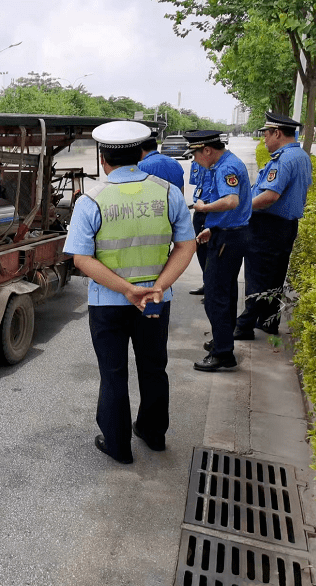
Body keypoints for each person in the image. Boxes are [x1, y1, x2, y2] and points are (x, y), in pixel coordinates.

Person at [64, 121, 196, 464]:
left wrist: (125, 290)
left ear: (102, 158)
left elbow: (81, 258)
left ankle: (118, 445)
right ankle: (153, 435)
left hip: (108, 304)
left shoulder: (90, 199)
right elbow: (186, 246)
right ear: (141, 154)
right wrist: (158, 287)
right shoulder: (169, 193)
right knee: (154, 368)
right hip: (154, 301)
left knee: (113, 372)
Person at [234, 112, 313, 339]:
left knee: (258, 277)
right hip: (285, 226)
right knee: (274, 276)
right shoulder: (300, 156)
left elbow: (269, 196)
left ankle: (244, 326)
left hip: (267, 227)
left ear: (277, 133)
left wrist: (243, 207)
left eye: (266, 135)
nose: (264, 140)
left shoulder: (284, 159)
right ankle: (268, 322)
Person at [184, 130, 252, 372]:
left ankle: (223, 353)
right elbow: (234, 210)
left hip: (229, 238)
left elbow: (231, 201)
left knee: (215, 296)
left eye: (194, 154)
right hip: (227, 234)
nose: (194, 160)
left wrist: (204, 207)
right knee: (226, 292)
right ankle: (223, 341)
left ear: (207, 150)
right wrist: (213, 229)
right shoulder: (226, 163)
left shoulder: (225, 167)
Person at [188, 160, 212, 295]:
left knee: (211, 251)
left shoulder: (218, 164)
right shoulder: (195, 163)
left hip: (211, 209)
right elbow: (198, 184)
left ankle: (212, 288)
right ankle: (207, 283)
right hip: (199, 209)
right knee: (201, 249)